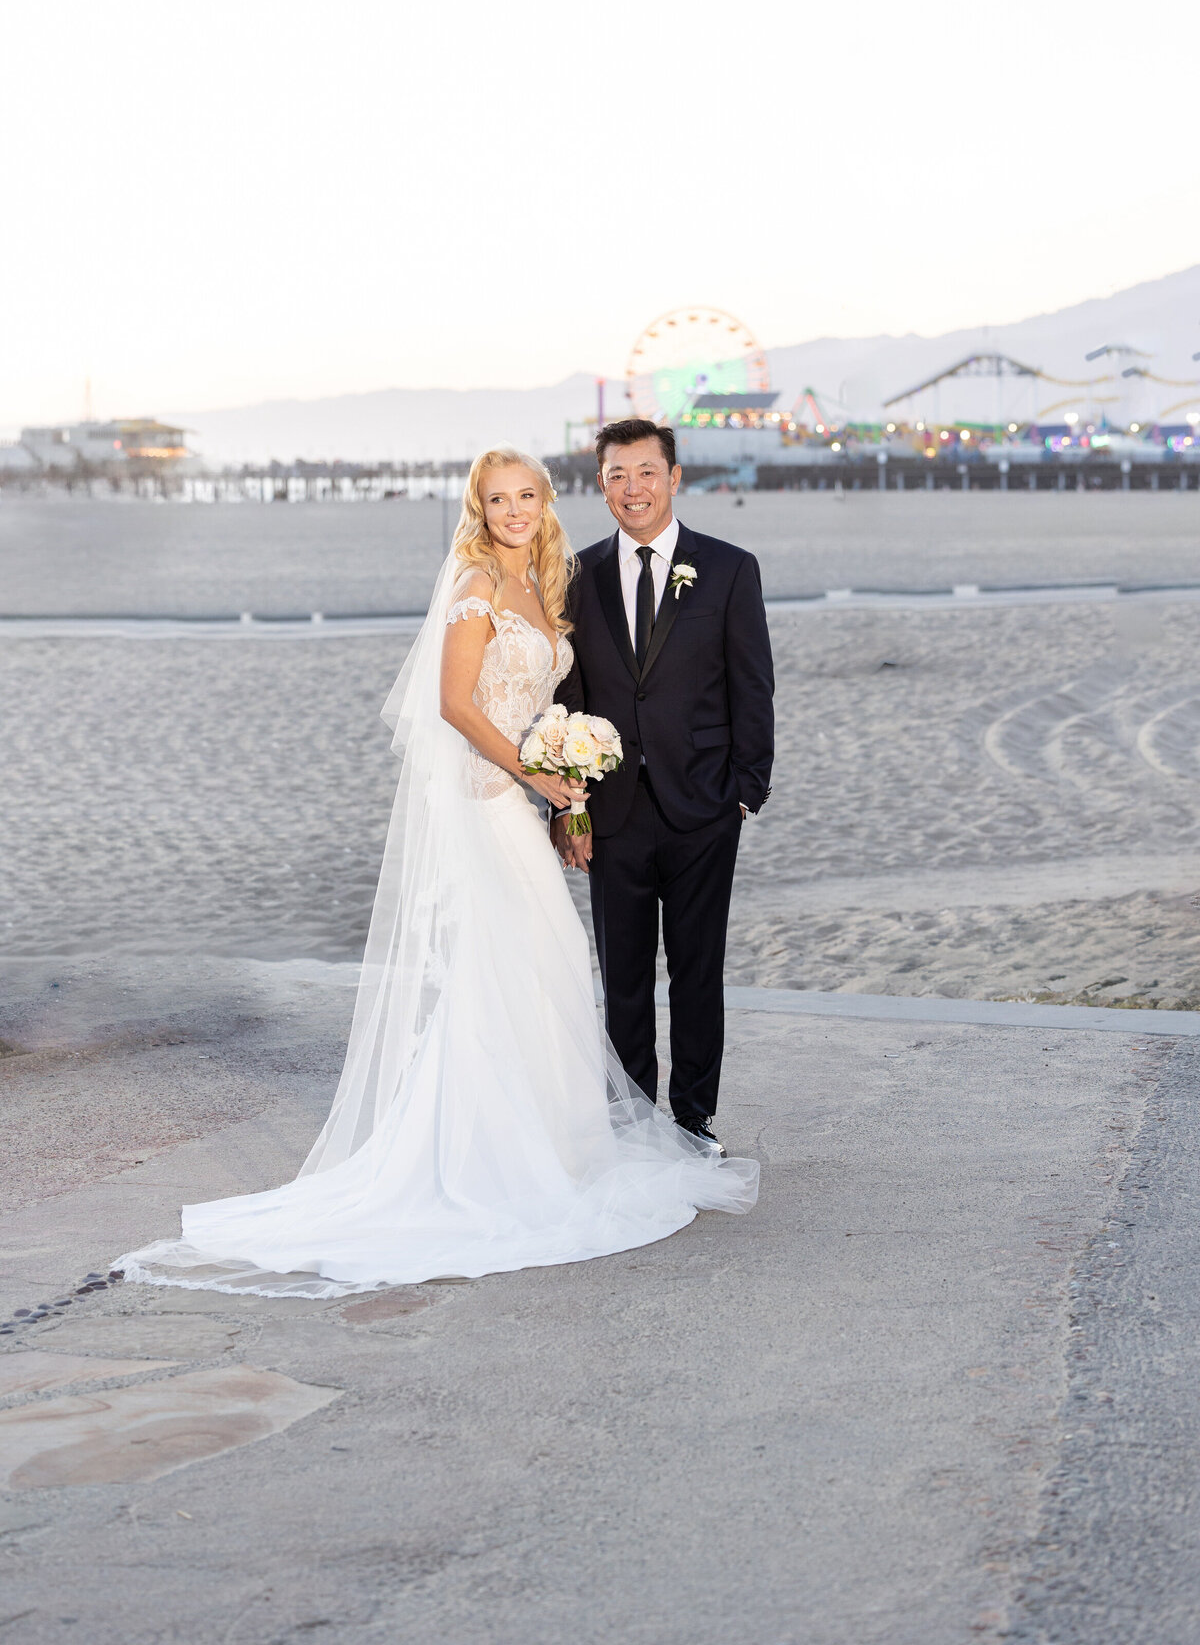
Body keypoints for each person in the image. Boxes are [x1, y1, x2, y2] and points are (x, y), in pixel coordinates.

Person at [113, 447, 756, 1299]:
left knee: (550, 971)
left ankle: (563, 1142)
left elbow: (566, 702)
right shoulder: (478, 585)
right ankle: (497, 1158)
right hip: (489, 806)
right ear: (479, 508)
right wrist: (536, 778)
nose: (515, 510)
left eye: (527, 495)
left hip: (540, 806)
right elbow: (455, 705)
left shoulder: (545, 583)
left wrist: (570, 798)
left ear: (549, 501)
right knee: (515, 974)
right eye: (499, 499)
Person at [553, 418, 774, 1156]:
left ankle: (692, 1119)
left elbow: (752, 685)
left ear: (674, 478)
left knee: (696, 973)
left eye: (646, 472)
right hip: (612, 811)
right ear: (602, 486)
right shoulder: (576, 578)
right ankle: (632, 1118)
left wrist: (745, 789)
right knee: (621, 979)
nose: (633, 488)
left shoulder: (729, 568)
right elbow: (568, 702)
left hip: (704, 806)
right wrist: (569, 807)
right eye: (617, 475)